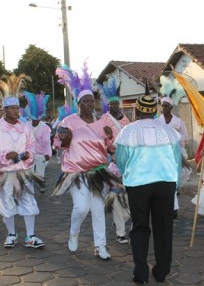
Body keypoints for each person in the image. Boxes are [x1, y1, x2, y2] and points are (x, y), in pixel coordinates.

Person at [114, 88, 182, 284]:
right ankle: (162, 271)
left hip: (138, 184)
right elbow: (177, 161)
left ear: (136, 111)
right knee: (164, 227)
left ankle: (141, 271)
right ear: (155, 111)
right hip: (165, 184)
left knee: (140, 226)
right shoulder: (169, 132)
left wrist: (128, 174)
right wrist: (174, 185)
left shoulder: (128, 131)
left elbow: (121, 161)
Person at [53, 63, 119, 260]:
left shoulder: (103, 123)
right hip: (76, 171)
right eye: (87, 102)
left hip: (98, 172)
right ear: (79, 104)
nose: (92, 105)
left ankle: (101, 246)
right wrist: (65, 139)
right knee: (81, 207)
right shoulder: (68, 122)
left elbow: (111, 148)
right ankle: (74, 233)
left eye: (93, 102)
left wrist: (109, 137)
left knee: (98, 210)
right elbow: (59, 144)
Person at [0, 94, 45, 249]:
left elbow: (31, 145)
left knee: (29, 201)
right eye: (11, 108)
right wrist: (6, 156)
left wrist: (27, 155)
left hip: (23, 171)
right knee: (7, 203)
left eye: (17, 108)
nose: (15, 111)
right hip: (5, 173)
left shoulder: (25, 127)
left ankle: (31, 236)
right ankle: (11, 234)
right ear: (4, 109)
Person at [97, 76, 131, 244]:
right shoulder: (103, 120)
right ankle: (120, 231)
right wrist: (108, 141)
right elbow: (98, 140)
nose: (114, 106)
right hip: (111, 162)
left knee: (130, 199)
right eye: (111, 104)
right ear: (108, 105)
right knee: (116, 195)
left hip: (129, 163)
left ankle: (120, 219)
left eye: (117, 103)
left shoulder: (126, 121)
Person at [156, 96, 191, 218]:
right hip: (162, 153)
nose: (163, 107)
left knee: (181, 174)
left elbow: (185, 136)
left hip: (176, 151)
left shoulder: (178, 121)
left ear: (171, 107)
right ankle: (170, 207)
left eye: (166, 105)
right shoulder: (157, 121)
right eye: (162, 105)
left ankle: (174, 202)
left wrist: (175, 137)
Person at [24, 91, 52, 193]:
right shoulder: (26, 125)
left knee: (40, 172)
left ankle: (41, 185)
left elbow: (47, 142)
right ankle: (29, 188)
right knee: (28, 172)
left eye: (37, 121)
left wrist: (47, 154)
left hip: (40, 153)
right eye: (33, 120)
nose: (35, 122)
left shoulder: (44, 127)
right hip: (29, 153)